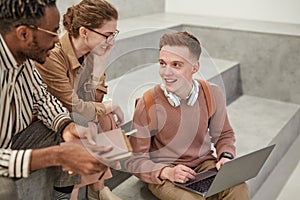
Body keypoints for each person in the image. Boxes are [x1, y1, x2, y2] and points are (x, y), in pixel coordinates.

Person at [0, 0, 115, 199]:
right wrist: (54, 155)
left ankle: (68, 195)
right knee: (4, 189)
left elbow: (43, 98)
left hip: (14, 139)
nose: (57, 40)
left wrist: (66, 126)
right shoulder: (51, 56)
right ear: (23, 34)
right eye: (53, 32)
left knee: (71, 127)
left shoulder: (25, 59)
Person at [125, 31, 250, 199]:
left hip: (203, 164)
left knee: (239, 189)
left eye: (176, 65)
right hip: (165, 172)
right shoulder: (148, 103)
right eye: (162, 63)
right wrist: (166, 172)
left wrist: (226, 156)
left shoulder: (212, 94)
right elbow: (135, 160)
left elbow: (224, 135)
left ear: (195, 67)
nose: (166, 73)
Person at [35, 0, 123, 199]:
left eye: (114, 34)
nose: (112, 41)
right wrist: (109, 106)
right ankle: (74, 191)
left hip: (70, 113)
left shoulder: (91, 53)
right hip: (47, 118)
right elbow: (76, 108)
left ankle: (98, 187)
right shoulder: (53, 55)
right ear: (84, 32)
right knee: (88, 121)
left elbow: (94, 100)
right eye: (108, 35)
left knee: (105, 118)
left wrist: (99, 64)